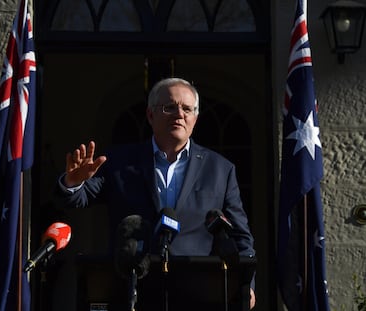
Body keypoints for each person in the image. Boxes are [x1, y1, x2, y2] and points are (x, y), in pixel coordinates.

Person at [56, 77, 256, 309]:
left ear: (195, 118)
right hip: (133, 289)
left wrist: (247, 284)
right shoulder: (121, 162)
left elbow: (240, 236)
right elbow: (77, 198)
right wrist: (72, 182)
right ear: (151, 115)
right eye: (169, 107)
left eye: (187, 109)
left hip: (196, 293)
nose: (179, 114)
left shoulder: (220, 169)